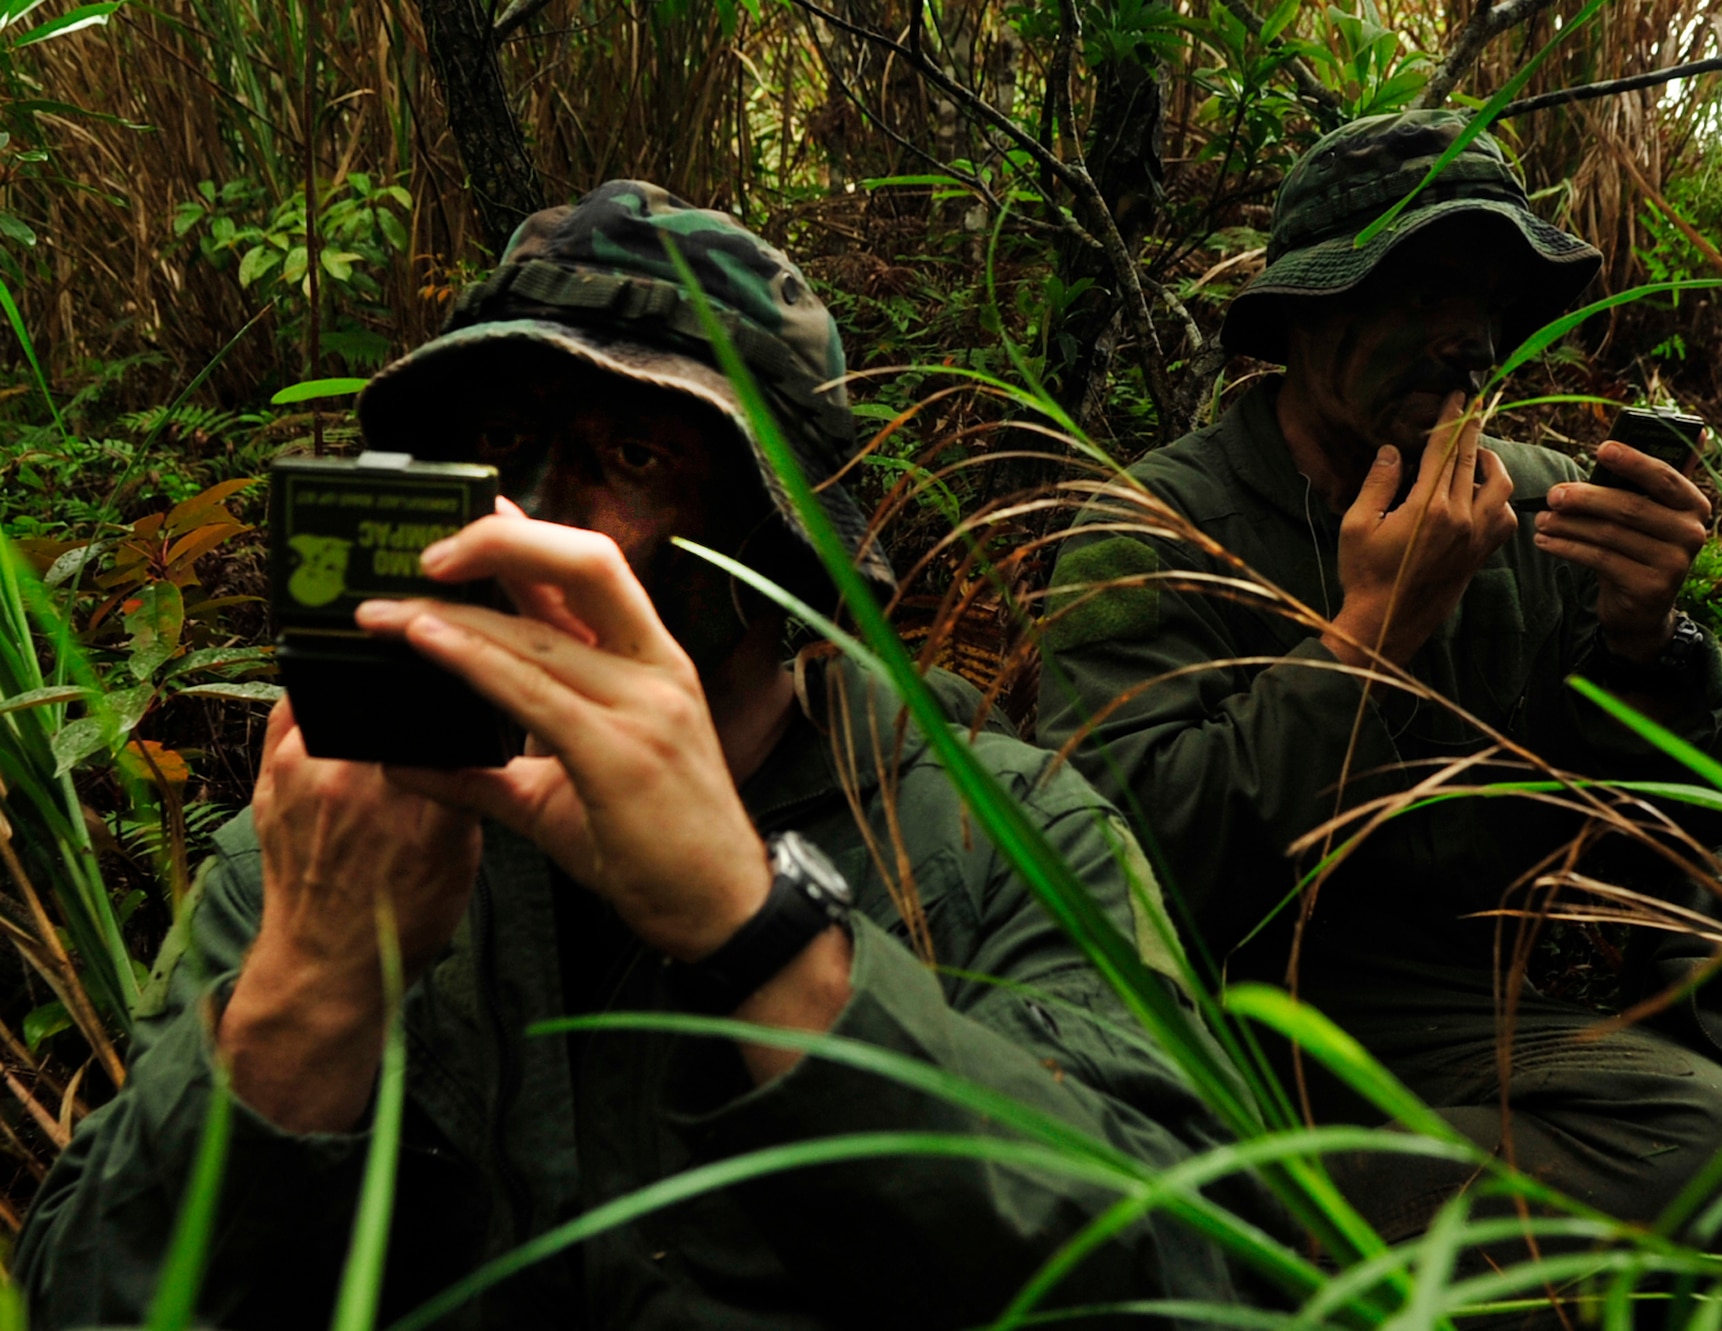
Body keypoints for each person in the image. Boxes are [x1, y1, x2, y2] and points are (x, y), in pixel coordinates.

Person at [19, 183, 1256, 1328]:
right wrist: (314, 983)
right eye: (501, 440)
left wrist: (755, 927)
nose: (542, 512)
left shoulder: (1000, 831)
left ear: (778, 542)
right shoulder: (340, 827)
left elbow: (1188, 1273)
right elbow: (90, 1297)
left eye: (638, 456)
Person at [1035, 112, 1722, 1258]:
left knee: (1714, 1134)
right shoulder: (1152, 527)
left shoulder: (1541, 507)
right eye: (1416, 294)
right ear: (1303, 320)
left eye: (1485, 300)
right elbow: (1113, 860)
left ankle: (1263, 1227)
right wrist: (1368, 636)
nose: (1464, 340)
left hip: (1457, 1013)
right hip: (1221, 1011)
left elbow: (1672, 845)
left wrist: (1647, 642)